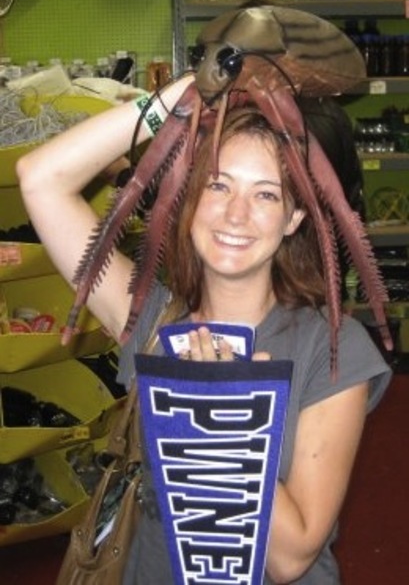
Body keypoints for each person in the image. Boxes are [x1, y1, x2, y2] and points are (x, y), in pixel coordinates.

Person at [17, 71, 391, 585]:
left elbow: (290, 559)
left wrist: (224, 412)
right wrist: (187, 90)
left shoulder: (330, 345)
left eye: (265, 195)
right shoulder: (149, 315)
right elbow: (40, 178)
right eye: (218, 184)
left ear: (294, 217)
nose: (235, 215)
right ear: (188, 199)